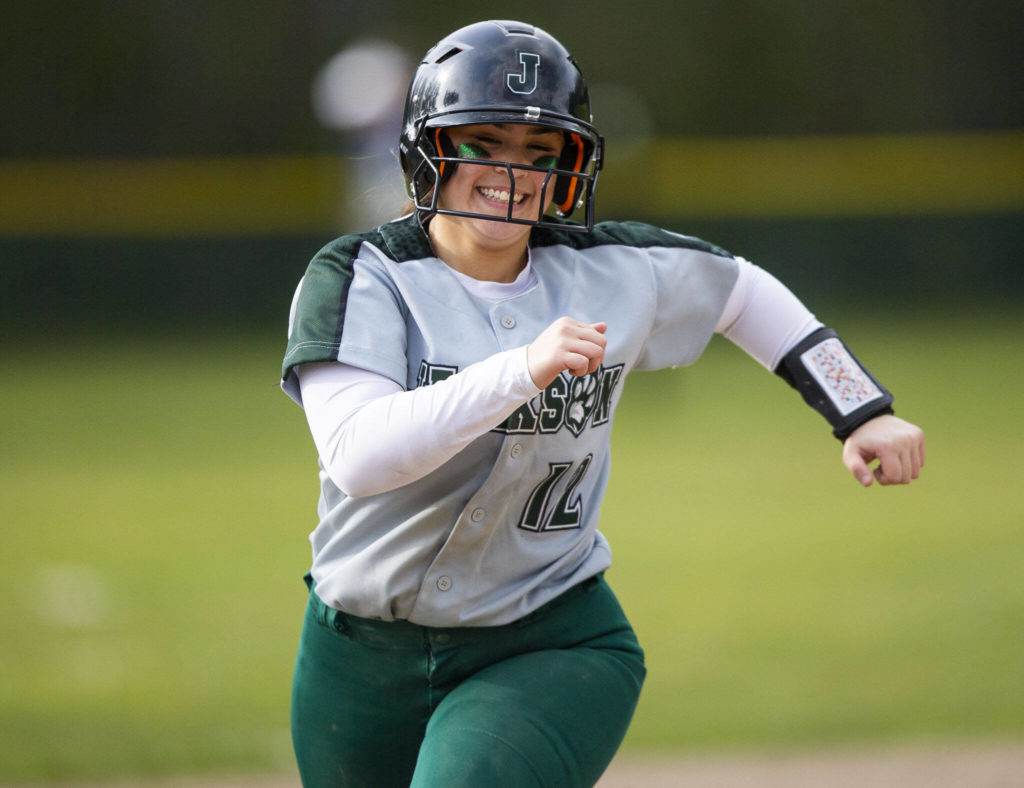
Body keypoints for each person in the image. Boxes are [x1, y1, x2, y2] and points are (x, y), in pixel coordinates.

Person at [280, 19, 925, 788]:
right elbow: (360, 457)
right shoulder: (363, 274)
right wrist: (522, 369)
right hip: (358, 650)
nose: (511, 172)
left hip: (547, 638)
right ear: (429, 149)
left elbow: (743, 291)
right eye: (483, 143)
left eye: (539, 152)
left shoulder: (612, 268)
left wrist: (859, 409)